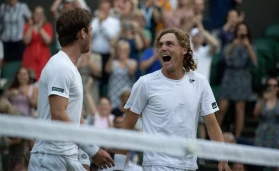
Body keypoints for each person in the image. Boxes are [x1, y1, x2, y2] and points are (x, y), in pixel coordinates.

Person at [115, 28, 231, 171]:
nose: (163, 47)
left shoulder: (200, 82)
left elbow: (212, 124)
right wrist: (119, 166)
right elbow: (127, 126)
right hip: (156, 165)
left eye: (169, 44)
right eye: (161, 45)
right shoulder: (145, 83)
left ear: (183, 49)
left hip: (189, 165)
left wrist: (223, 158)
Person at [28, 8, 114, 171]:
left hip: (67, 156)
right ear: (82, 33)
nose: (92, 36)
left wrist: (84, 158)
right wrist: (93, 150)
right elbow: (59, 115)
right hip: (50, 159)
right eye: (91, 31)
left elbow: (76, 118)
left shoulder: (69, 68)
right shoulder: (61, 66)